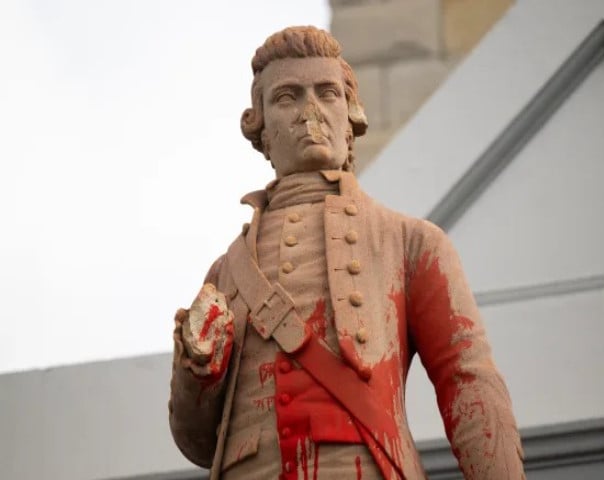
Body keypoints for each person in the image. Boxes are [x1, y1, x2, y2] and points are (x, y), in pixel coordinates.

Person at [169, 26, 525, 480]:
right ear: (258, 124)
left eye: (328, 93)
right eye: (287, 97)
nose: (310, 111)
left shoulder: (410, 242)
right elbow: (197, 442)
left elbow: (469, 384)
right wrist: (198, 371)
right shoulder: (226, 273)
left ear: (351, 112)